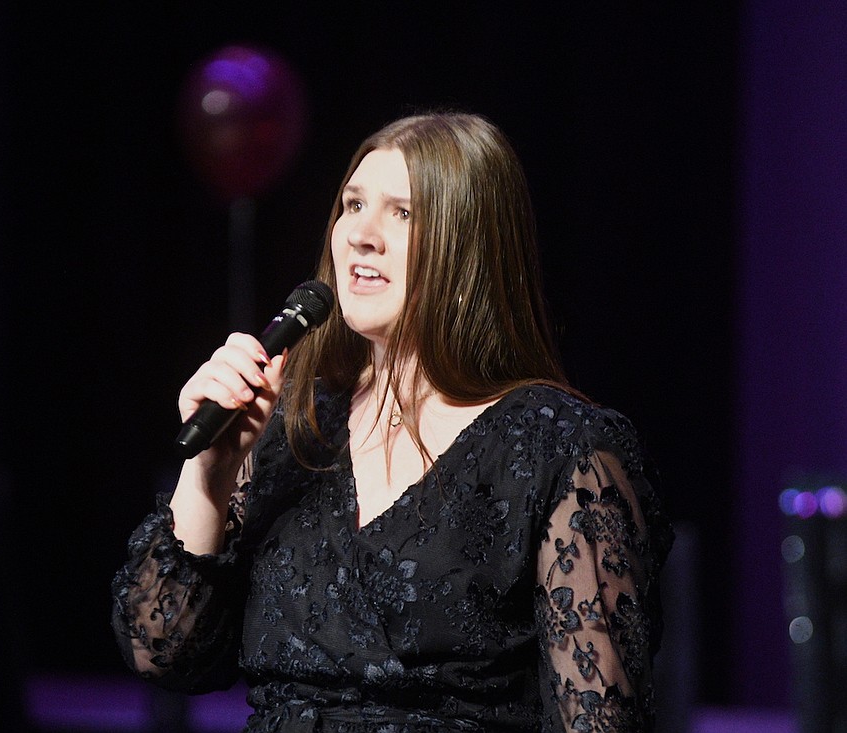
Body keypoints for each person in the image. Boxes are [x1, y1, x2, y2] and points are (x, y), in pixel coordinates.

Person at [111, 111, 673, 732]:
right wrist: (209, 475)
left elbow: (600, 719)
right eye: (353, 205)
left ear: (470, 246)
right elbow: (164, 651)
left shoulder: (561, 447)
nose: (361, 235)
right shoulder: (291, 428)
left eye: (402, 213)